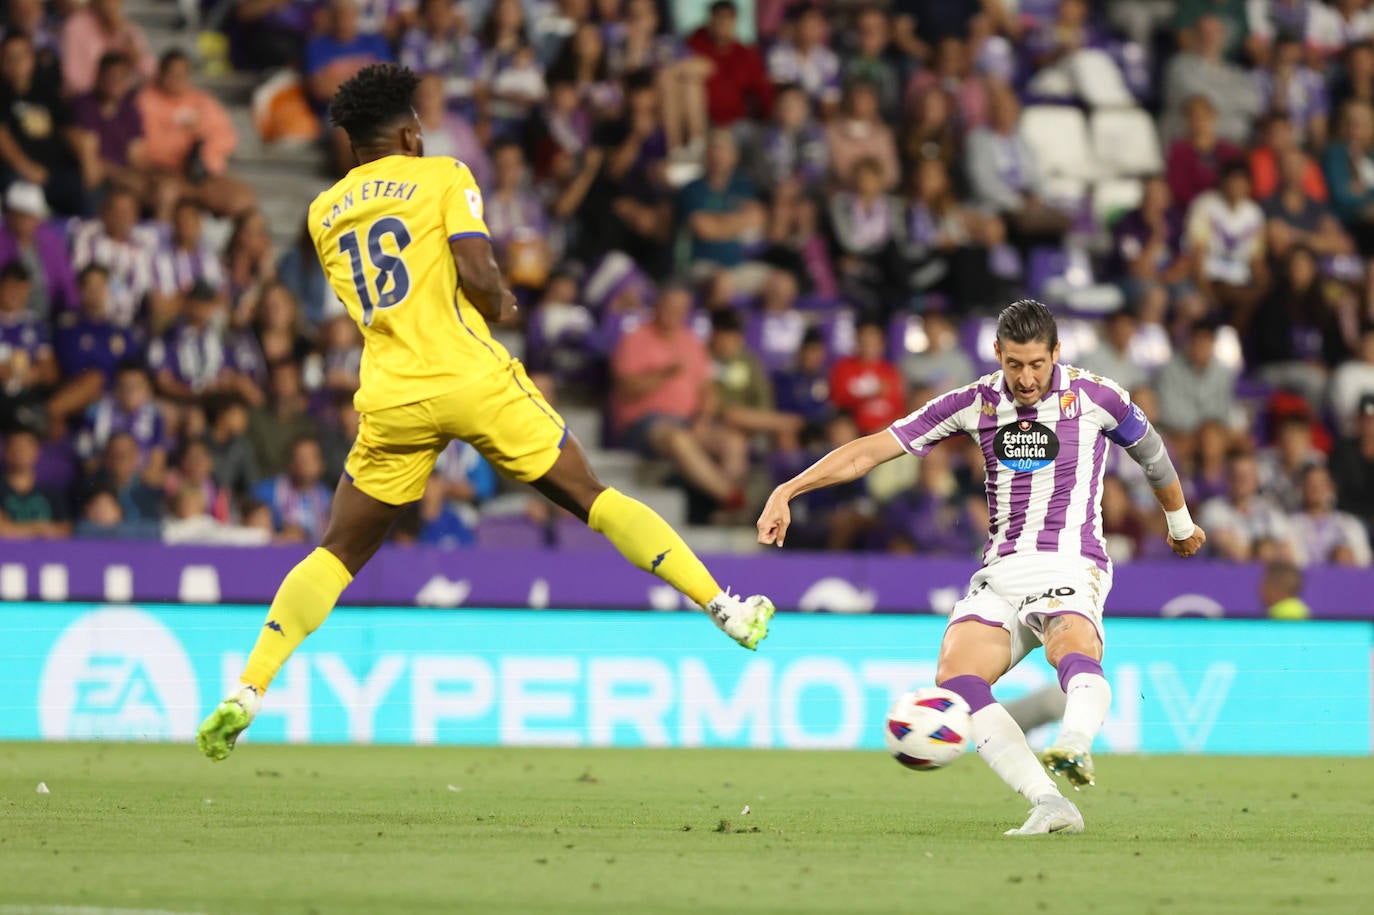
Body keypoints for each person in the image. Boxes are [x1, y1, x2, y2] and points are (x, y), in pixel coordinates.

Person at [196, 64, 774, 761]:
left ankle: (250, 687)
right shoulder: (442, 173)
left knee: (337, 550)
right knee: (592, 497)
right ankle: (724, 605)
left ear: (350, 145)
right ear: (410, 132)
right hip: (469, 377)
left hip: (391, 394)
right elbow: (473, 271)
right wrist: (500, 298)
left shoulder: (323, 211)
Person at [756, 300, 1208, 835]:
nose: (1026, 377)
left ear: (1056, 353)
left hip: (1069, 558)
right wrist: (789, 488)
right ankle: (1050, 802)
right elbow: (871, 451)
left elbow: (1152, 453)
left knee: (1071, 648)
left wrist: (1179, 524)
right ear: (997, 354)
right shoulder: (973, 402)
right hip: (1000, 571)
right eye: (1014, 364)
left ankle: (1073, 744)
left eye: (1037, 364)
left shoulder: (1095, 396)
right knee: (957, 679)